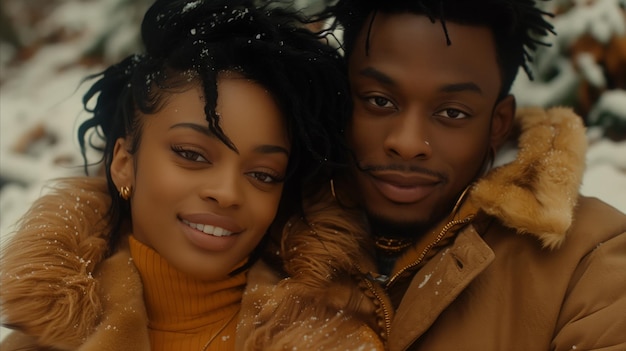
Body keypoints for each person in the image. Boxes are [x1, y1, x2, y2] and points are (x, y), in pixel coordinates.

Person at [242, 0, 626, 350]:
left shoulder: (591, 259)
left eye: (452, 113)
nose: (408, 143)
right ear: (343, 95)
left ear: (498, 123)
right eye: (380, 101)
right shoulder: (255, 221)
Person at [0, 0, 383, 350]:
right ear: (122, 163)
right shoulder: (41, 340)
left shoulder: (332, 341)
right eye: (191, 154)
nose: (227, 192)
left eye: (264, 174)